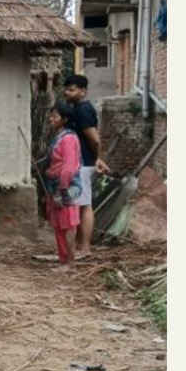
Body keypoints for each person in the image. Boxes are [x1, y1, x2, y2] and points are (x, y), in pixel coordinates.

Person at [61, 74, 110, 257]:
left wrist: (96, 158)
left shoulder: (82, 110)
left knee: (84, 205)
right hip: (79, 163)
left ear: (83, 91)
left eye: (71, 89)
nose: (67, 92)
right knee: (79, 204)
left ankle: (84, 247)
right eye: (66, 89)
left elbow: (95, 139)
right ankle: (80, 246)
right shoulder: (78, 108)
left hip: (82, 164)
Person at [40, 101, 83, 272]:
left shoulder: (69, 139)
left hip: (66, 186)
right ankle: (63, 260)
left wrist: (60, 191)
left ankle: (70, 263)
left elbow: (69, 167)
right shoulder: (60, 137)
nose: (51, 118)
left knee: (68, 225)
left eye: (55, 116)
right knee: (59, 225)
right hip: (56, 185)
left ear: (64, 119)